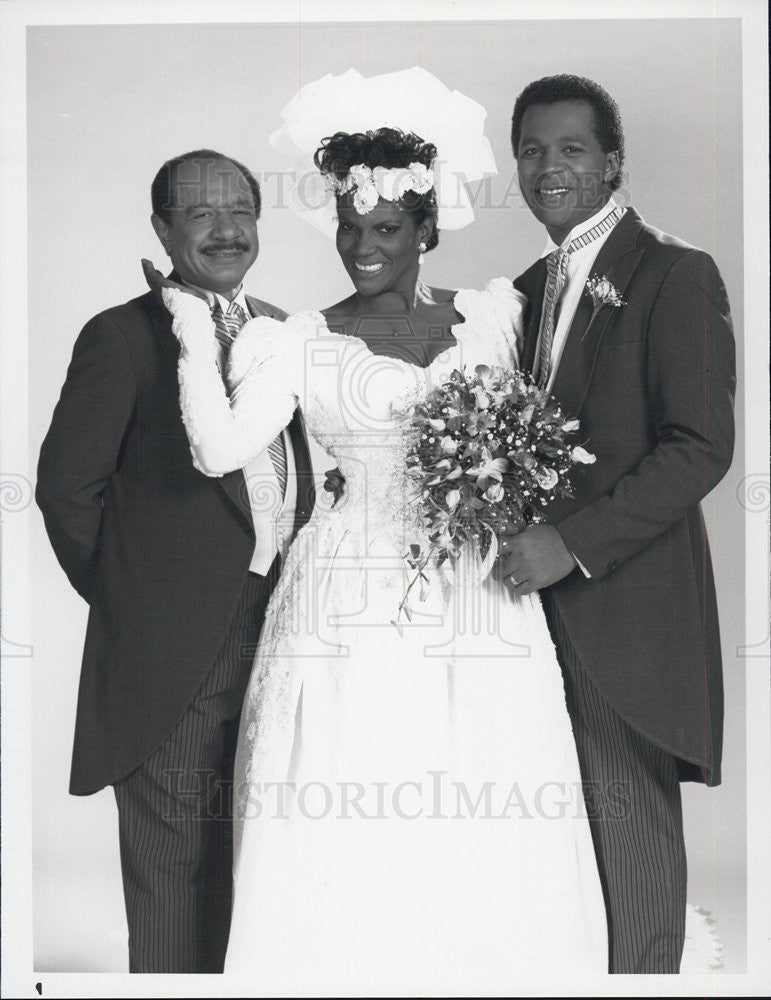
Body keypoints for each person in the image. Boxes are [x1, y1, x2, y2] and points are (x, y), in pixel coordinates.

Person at [144, 120, 610, 993]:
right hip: (345, 593)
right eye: (349, 229)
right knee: (353, 782)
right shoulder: (297, 339)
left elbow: (547, 431)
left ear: (425, 231)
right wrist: (187, 323)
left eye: (386, 229)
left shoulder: (491, 318)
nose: (362, 247)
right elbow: (216, 447)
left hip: (476, 585)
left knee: (488, 781)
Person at [36, 149, 315, 973]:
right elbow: (66, 492)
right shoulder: (121, 338)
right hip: (169, 654)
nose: (225, 229)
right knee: (171, 874)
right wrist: (141, 603)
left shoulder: (277, 327)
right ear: (162, 228)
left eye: (239, 210)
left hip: (277, 636)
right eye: (199, 214)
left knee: (248, 863)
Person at [503, 74, 736, 973]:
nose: (546, 168)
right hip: (528, 614)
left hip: (624, 607)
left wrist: (573, 544)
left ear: (611, 162)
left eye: (569, 149)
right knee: (555, 852)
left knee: (629, 845)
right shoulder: (526, 289)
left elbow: (697, 446)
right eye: (530, 149)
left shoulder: (675, 272)